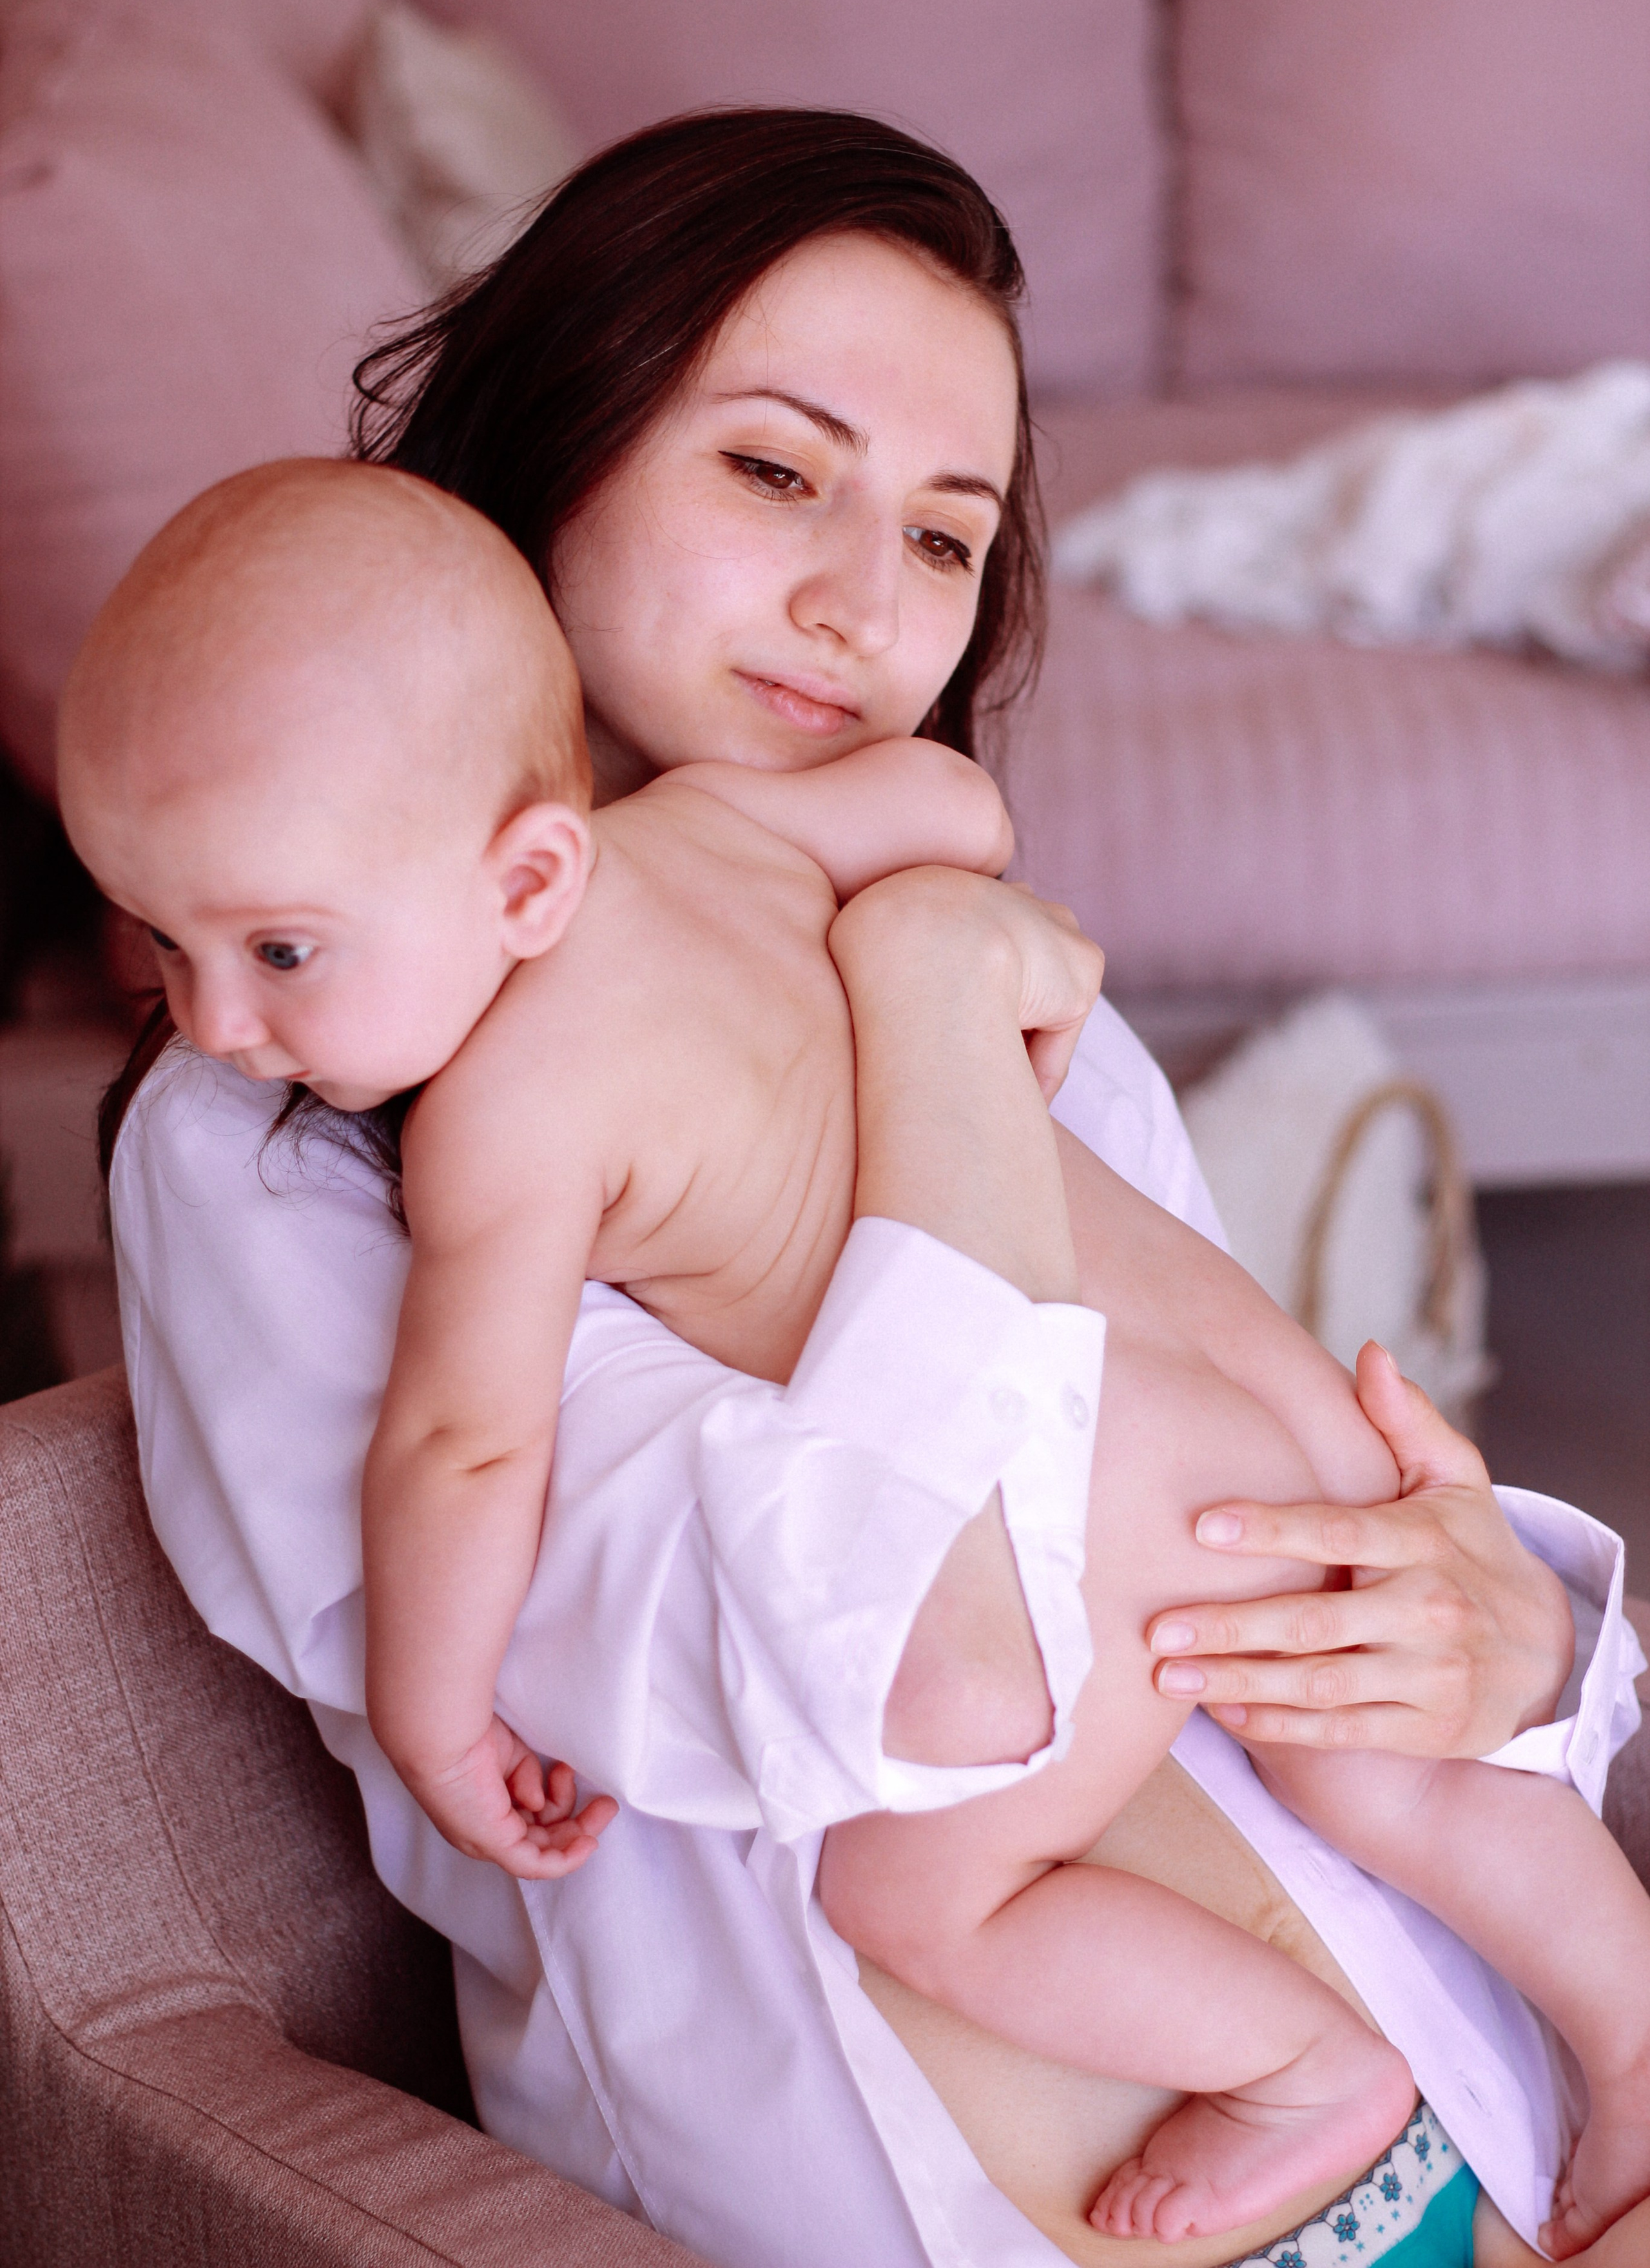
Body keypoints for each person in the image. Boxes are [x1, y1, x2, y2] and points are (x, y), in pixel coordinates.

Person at [99, 109, 1645, 2268]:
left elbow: (1239, 1507)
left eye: (944, 538)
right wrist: (926, 1010)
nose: (860, 600)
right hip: (939, 2183)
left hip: (1473, 2087)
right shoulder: (273, 1123)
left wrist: (1505, 1640)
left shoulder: (961, 958)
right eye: (770, 470)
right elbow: (866, 1655)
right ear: (553, 439)